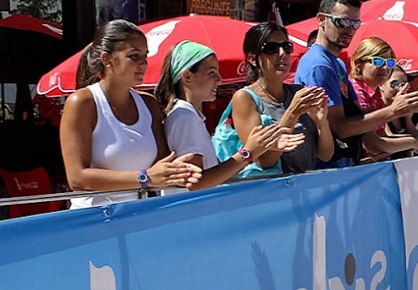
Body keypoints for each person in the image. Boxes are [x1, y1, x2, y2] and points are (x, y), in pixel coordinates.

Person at [60, 19, 200, 209]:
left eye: (145, 56)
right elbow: (77, 178)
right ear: (107, 59)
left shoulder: (149, 104)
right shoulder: (82, 103)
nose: (144, 64)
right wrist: (145, 177)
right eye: (134, 56)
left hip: (136, 215)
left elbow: (160, 167)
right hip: (94, 219)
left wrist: (180, 169)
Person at [296, 0, 418, 167]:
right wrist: (395, 111)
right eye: (342, 22)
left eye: (355, 24)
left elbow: (360, 118)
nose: (349, 29)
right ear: (321, 20)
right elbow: (340, 128)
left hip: (342, 166)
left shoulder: (336, 63)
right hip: (326, 170)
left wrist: (409, 107)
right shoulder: (319, 64)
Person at [154, 41, 291, 190]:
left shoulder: (187, 114)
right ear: (187, 76)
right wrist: (248, 153)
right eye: (211, 73)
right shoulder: (184, 115)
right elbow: (195, 183)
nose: (219, 79)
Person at [233, 22, 333, 176]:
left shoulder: (297, 92)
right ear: (253, 59)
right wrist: (292, 113)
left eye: (286, 47)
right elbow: (263, 161)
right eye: (271, 48)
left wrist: (322, 122)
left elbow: (325, 155)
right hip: (272, 194)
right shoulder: (245, 98)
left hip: (305, 189)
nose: (282, 54)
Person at [348, 36, 418, 159]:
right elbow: (374, 145)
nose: (385, 68)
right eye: (377, 61)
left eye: (390, 63)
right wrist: (417, 141)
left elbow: (384, 138)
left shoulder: (375, 94)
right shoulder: (357, 91)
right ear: (358, 63)